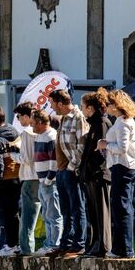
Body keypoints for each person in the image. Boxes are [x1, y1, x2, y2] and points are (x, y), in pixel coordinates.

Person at [97, 90, 135, 259]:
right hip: (124, 166)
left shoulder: (122, 123)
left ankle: (124, 249)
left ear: (116, 105)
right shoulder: (124, 121)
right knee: (122, 207)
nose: (106, 108)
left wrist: (105, 144)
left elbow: (122, 148)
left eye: (108, 104)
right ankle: (122, 247)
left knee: (121, 208)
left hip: (122, 167)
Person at [47, 89, 89, 258]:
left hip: (72, 171)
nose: (51, 107)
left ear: (60, 103)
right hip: (62, 170)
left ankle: (78, 244)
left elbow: (82, 145)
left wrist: (71, 167)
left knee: (77, 208)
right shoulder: (64, 118)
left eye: (52, 103)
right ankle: (66, 243)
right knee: (66, 210)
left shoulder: (78, 118)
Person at [79, 89, 112, 258]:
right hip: (91, 175)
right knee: (93, 213)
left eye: (83, 106)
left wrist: (93, 169)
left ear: (90, 108)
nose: (82, 110)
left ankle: (103, 246)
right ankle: (95, 243)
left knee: (101, 212)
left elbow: (103, 151)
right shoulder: (94, 124)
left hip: (99, 175)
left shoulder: (102, 123)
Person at [0, 107, 21, 256]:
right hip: (18, 177)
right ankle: (17, 243)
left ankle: (11, 245)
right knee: (15, 213)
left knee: (7, 215)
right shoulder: (14, 132)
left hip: (5, 181)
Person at [9, 102, 40, 256]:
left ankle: (26, 248)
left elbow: (26, 158)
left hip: (29, 177)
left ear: (27, 116)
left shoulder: (27, 133)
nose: (19, 120)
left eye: (19, 116)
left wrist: (12, 154)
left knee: (27, 215)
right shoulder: (40, 131)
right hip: (40, 176)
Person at [31, 110, 63, 255]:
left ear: (39, 122)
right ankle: (49, 243)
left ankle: (54, 244)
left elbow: (54, 161)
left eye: (33, 123)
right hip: (42, 181)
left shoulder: (51, 136)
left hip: (50, 182)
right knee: (46, 215)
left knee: (53, 215)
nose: (31, 126)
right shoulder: (39, 137)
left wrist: (49, 179)